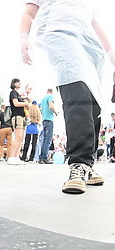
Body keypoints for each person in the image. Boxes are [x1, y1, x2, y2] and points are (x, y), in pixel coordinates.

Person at [20, 0, 112, 193]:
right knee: (77, 92)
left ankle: (88, 164)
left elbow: (95, 23)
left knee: (93, 101)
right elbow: (29, 13)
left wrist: (111, 52)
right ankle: (78, 163)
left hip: (90, 46)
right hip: (60, 36)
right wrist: (23, 37)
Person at [7, 78, 29, 165]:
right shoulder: (13, 93)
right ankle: (11, 157)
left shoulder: (18, 94)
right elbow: (15, 103)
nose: (20, 84)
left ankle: (16, 157)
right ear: (14, 83)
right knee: (18, 137)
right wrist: (25, 104)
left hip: (22, 117)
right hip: (17, 117)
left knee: (21, 138)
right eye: (18, 82)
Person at [38, 88, 57, 164]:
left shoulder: (43, 99)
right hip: (49, 119)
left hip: (44, 119)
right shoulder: (50, 97)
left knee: (44, 139)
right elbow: (51, 106)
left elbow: (40, 108)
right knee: (48, 139)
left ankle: (41, 157)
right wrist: (55, 112)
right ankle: (44, 157)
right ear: (52, 92)